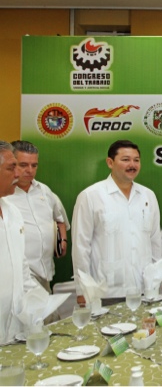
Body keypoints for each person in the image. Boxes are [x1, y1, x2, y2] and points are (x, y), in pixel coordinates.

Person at [71, 140, 162, 305]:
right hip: (106, 292)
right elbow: (81, 247)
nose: (132, 165)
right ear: (110, 162)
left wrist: (157, 281)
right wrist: (82, 290)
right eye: (125, 159)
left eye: (136, 160)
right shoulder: (90, 196)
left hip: (144, 289)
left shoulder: (148, 196)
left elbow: (155, 242)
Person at [7, 141, 69, 293]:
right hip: (18, 276)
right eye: (23, 165)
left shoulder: (44, 190)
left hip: (45, 272)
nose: (30, 170)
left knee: (47, 314)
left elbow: (60, 218)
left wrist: (63, 239)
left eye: (34, 165)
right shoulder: (5, 195)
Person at [0, 141, 39, 345]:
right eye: (11, 167)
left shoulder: (12, 213)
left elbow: (22, 268)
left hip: (15, 331)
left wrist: (37, 305)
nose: (18, 174)